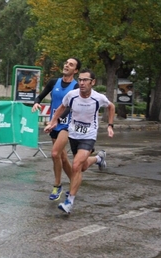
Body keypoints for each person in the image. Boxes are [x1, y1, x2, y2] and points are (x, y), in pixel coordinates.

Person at [45, 68, 115, 214]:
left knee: (76, 166)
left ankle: (69, 202)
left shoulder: (98, 97)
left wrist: (110, 125)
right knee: (81, 167)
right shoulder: (72, 95)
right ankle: (98, 158)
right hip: (74, 134)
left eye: (85, 80)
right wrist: (53, 122)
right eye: (80, 80)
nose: (82, 83)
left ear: (92, 82)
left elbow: (111, 106)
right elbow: (61, 108)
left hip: (89, 136)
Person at [32, 57, 81, 201]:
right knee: (63, 157)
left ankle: (57, 185)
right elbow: (40, 96)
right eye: (66, 63)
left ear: (75, 70)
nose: (66, 65)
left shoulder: (76, 86)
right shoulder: (54, 82)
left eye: (71, 64)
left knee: (55, 154)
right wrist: (36, 103)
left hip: (67, 124)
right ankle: (74, 182)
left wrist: (57, 120)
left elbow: (70, 107)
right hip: (53, 124)